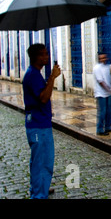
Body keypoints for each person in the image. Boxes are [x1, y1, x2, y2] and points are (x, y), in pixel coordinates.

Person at [22, 44, 61, 199]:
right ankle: (39, 194)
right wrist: (52, 77)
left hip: (39, 122)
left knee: (38, 161)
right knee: (42, 162)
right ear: (34, 57)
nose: (46, 57)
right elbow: (44, 97)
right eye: (42, 55)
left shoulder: (35, 74)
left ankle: (39, 188)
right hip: (39, 126)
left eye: (46, 53)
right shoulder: (32, 75)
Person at [93, 52, 111, 136]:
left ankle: (108, 126)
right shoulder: (97, 68)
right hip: (101, 93)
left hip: (108, 93)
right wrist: (108, 89)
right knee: (102, 111)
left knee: (109, 111)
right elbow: (100, 81)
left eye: (104, 58)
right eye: (101, 58)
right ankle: (100, 129)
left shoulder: (108, 67)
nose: (103, 60)